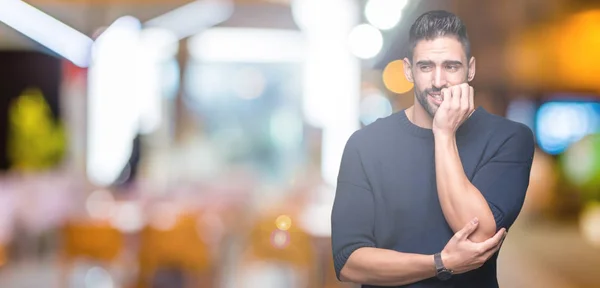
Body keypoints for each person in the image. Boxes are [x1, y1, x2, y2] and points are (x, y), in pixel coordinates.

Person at [331, 10, 534, 288]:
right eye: (426, 66)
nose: (438, 81)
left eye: (451, 66)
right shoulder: (365, 144)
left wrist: (443, 132)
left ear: (470, 68)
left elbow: (477, 237)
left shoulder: (510, 138)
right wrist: (441, 263)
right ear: (408, 70)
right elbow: (348, 262)